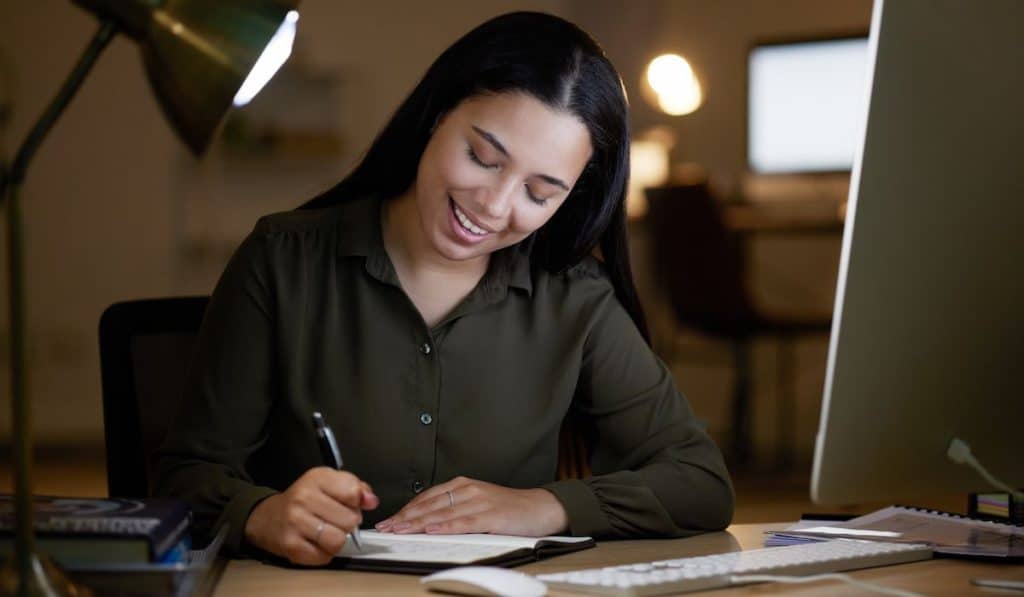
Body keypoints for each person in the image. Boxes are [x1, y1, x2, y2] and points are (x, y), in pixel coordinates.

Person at [155, 11, 733, 567]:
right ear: (437, 114)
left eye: (540, 193)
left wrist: (543, 506)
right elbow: (185, 476)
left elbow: (701, 483)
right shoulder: (283, 261)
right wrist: (262, 513)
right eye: (482, 157)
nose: (495, 206)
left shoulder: (575, 299)